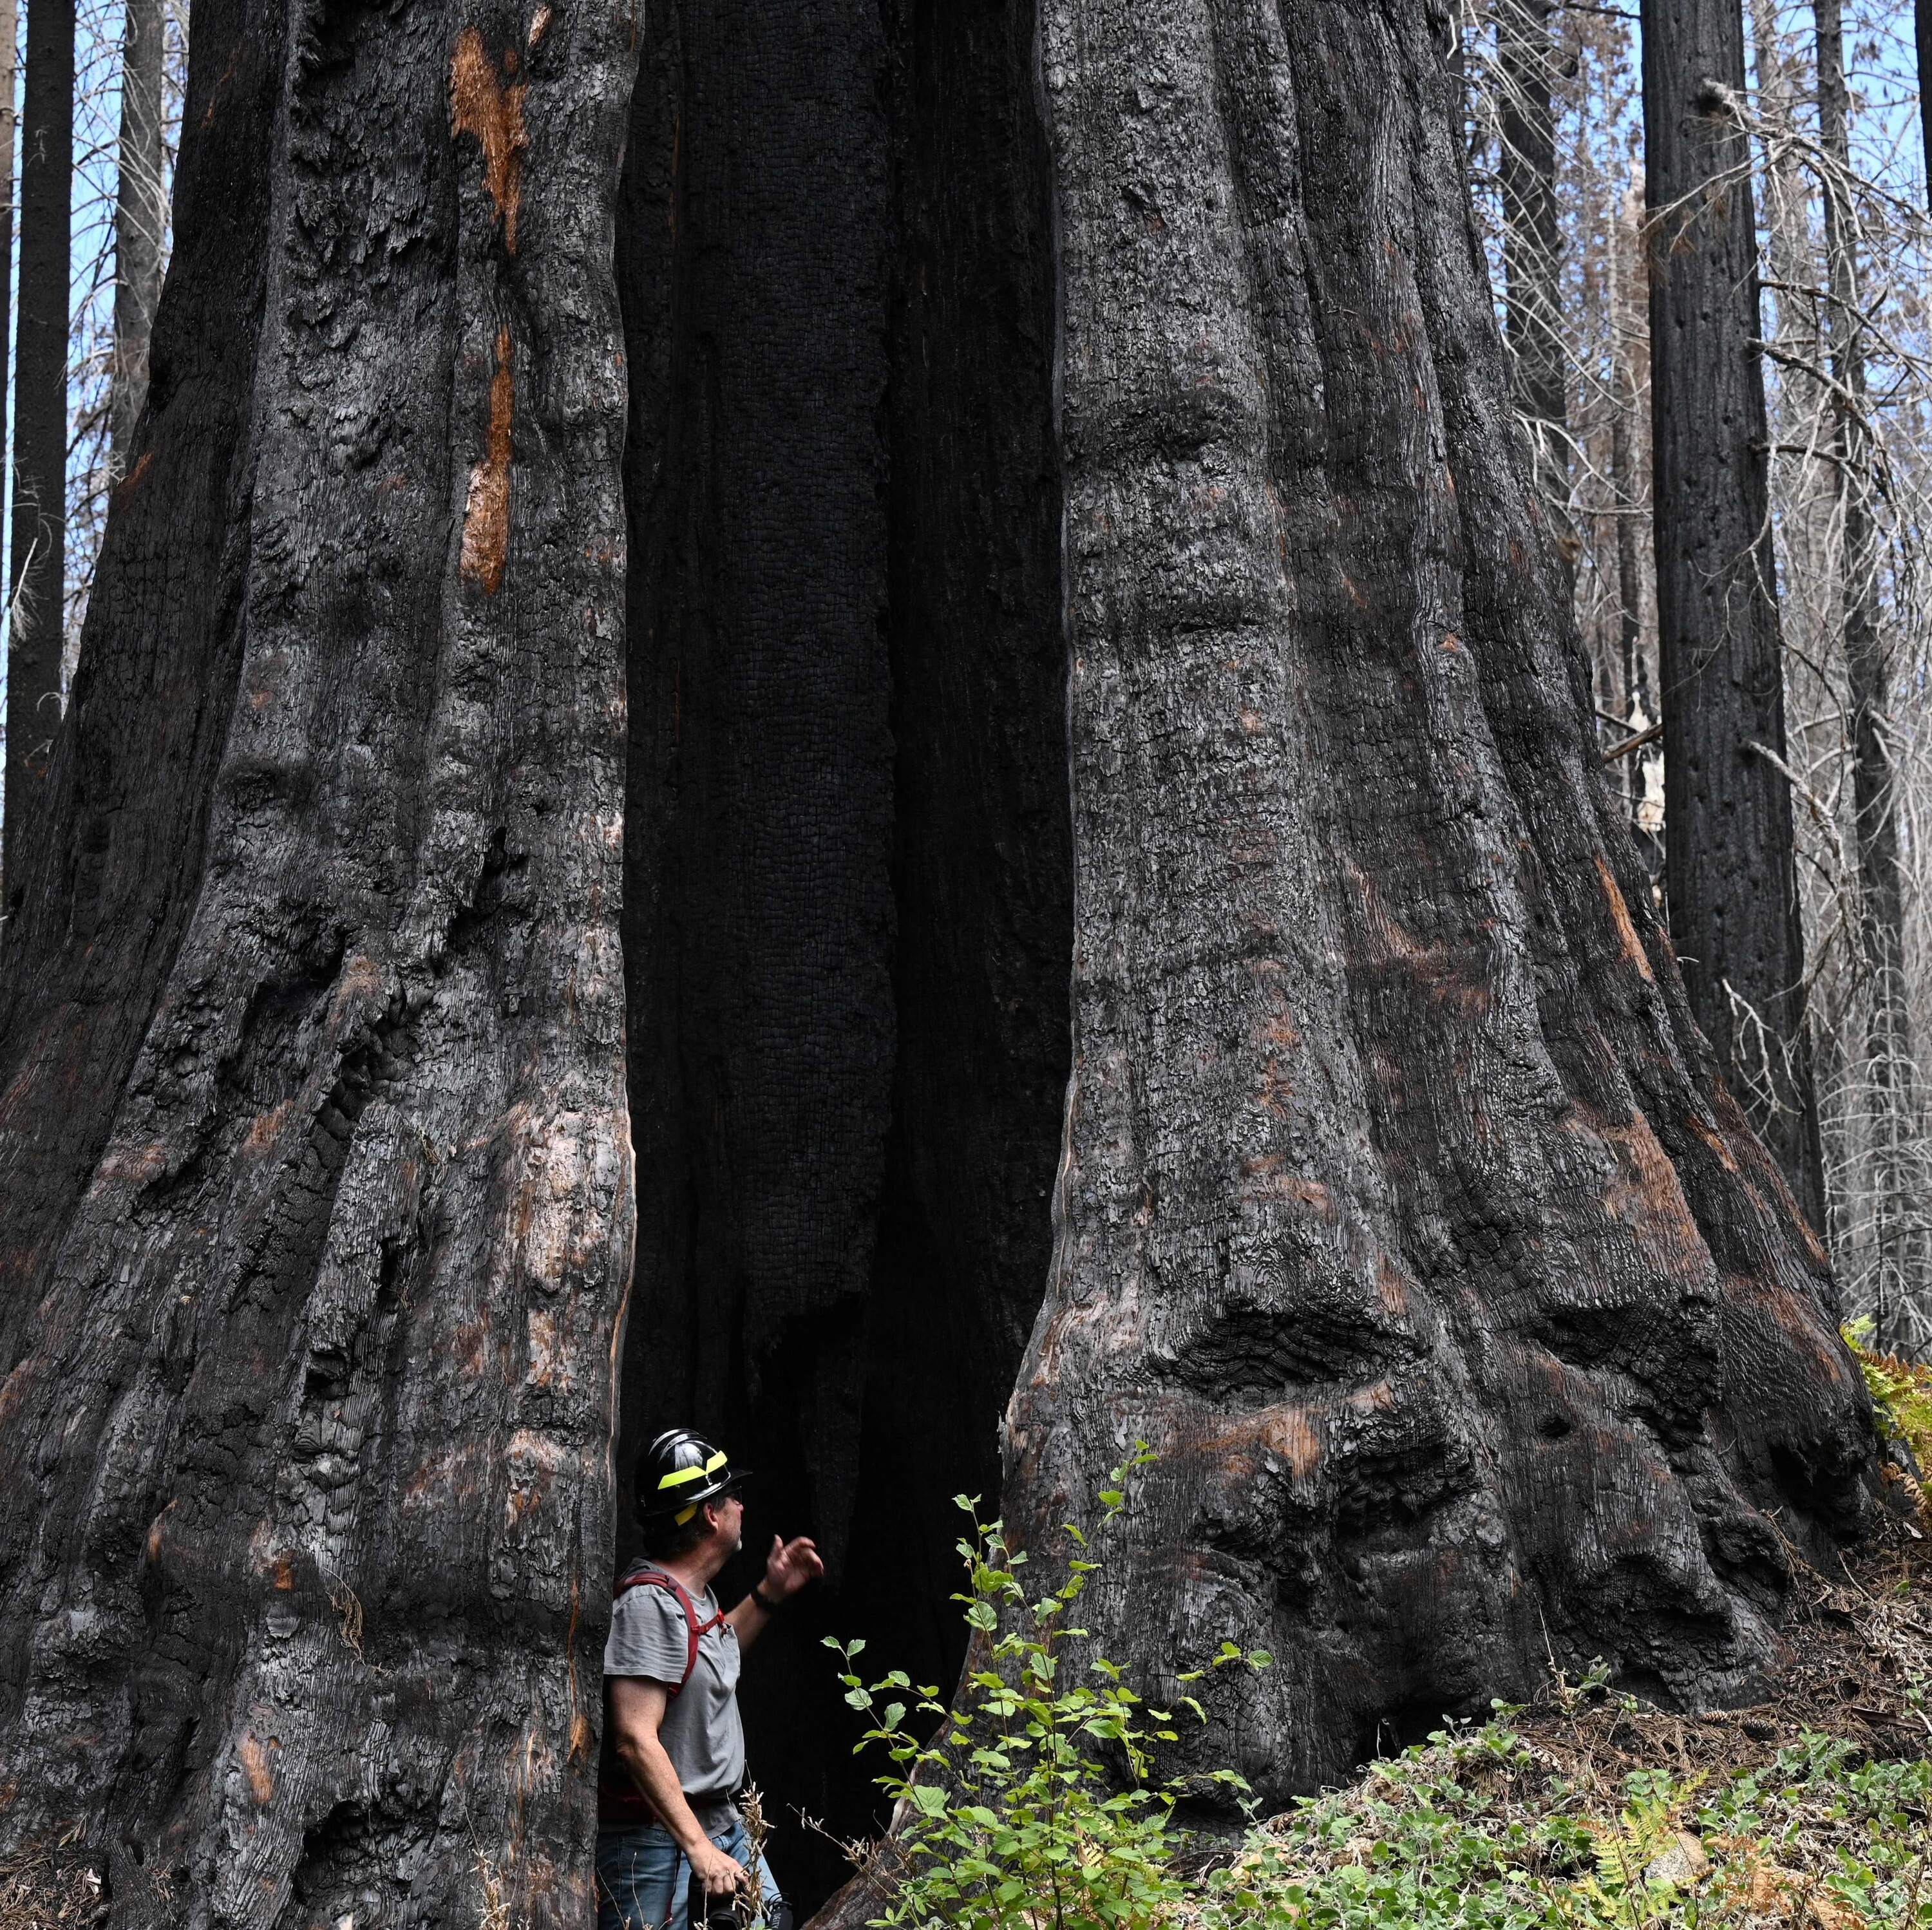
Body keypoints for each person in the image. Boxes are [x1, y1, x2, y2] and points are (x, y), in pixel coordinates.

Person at [598, 1428, 824, 1929]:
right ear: (709, 1514)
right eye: (732, 1496)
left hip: (722, 1824)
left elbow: (707, 1658)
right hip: (659, 1841)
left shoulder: (692, 1596)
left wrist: (769, 1591)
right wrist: (697, 1847)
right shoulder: (647, 1606)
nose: (742, 1506)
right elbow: (634, 1738)